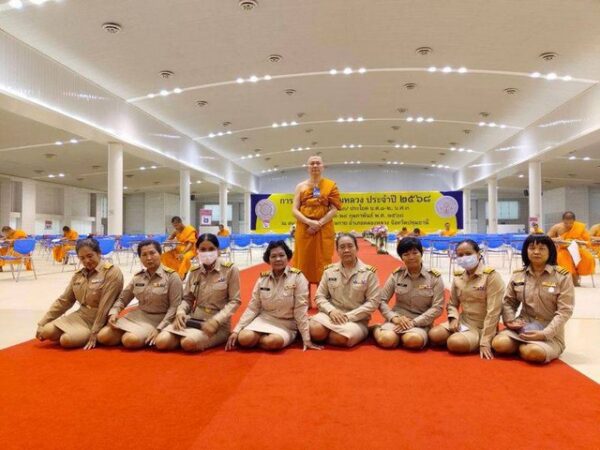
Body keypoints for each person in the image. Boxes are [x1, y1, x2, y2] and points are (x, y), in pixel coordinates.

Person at [492, 234, 574, 364]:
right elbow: (509, 302)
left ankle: (525, 347)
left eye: (542, 248)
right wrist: (510, 320)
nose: (536, 252)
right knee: (499, 344)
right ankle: (523, 345)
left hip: (549, 330)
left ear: (550, 251)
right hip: (522, 326)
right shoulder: (518, 274)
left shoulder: (562, 276)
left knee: (534, 353)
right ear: (526, 250)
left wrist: (545, 334)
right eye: (532, 248)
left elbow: (565, 311)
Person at [225, 240, 321, 352]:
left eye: (281, 255)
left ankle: (263, 339)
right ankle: (257, 338)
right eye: (273, 256)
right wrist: (237, 330)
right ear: (268, 259)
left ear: (288, 257)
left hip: (287, 323)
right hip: (265, 319)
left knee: (273, 342)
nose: (278, 259)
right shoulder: (263, 279)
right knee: (244, 338)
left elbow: (300, 310)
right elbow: (253, 307)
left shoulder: (298, 277)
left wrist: (306, 338)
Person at [155, 233, 240, 352]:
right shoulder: (195, 271)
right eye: (203, 249)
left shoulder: (229, 270)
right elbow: (187, 299)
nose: (207, 253)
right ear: (197, 251)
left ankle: (193, 339)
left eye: (211, 249)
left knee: (188, 343)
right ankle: (185, 338)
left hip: (217, 324)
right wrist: (180, 312)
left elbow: (235, 301)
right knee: (161, 341)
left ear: (218, 250)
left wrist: (216, 321)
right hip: (193, 320)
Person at [35, 238, 124, 349]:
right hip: (81, 316)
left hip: (101, 318)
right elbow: (64, 300)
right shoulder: (78, 275)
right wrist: (42, 322)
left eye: (90, 256)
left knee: (66, 340)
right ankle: (78, 334)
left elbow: (105, 305)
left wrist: (95, 330)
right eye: (82, 258)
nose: (87, 261)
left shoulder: (111, 272)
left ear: (98, 253)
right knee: (46, 331)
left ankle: (100, 334)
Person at [97, 240, 183, 349]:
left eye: (152, 253)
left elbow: (175, 307)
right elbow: (123, 299)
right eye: (144, 255)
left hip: (160, 318)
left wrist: (160, 328)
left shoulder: (172, 277)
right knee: (103, 336)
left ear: (160, 253)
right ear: (140, 258)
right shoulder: (138, 277)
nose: (149, 258)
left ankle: (137, 335)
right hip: (138, 315)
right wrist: (114, 312)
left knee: (130, 340)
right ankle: (131, 334)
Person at [428, 239, 505, 359]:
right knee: (434, 335)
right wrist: (453, 319)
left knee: (454, 343)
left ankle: (475, 339)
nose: (464, 258)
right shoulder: (458, 277)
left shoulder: (491, 276)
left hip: (482, 326)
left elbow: (494, 311)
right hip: (463, 321)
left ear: (478, 254)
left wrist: (485, 341)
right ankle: (463, 337)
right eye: (460, 255)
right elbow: (452, 304)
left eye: (468, 254)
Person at [309, 233, 380, 347]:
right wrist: (331, 311)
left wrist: (348, 316)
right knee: (315, 331)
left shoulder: (369, 273)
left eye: (350, 246)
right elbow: (319, 296)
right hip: (330, 315)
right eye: (342, 247)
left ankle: (363, 331)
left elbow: (373, 302)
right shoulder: (329, 271)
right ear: (337, 250)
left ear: (356, 248)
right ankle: (325, 333)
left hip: (356, 319)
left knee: (340, 337)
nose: (346, 250)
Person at [373, 238, 444, 350]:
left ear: (421, 253)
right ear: (401, 257)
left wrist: (414, 322)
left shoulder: (434, 277)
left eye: (415, 253)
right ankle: (376, 329)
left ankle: (399, 337)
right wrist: (394, 318)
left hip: (421, 322)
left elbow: (437, 307)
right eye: (406, 254)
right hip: (398, 319)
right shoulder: (396, 275)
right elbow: (381, 300)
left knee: (413, 341)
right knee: (386, 340)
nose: (411, 257)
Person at [292, 155, 343, 287]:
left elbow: (334, 209)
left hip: (324, 229)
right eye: (312, 163)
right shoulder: (300, 186)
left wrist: (319, 223)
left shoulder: (330, 185)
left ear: (323, 167)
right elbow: (294, 210)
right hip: (305, 230)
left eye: (318, 163)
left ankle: (323, 295)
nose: (315, 165)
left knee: (323, 261)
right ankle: (304, 295)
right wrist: (309, 222)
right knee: (304, 261)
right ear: (307, 168)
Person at [547, 211, 595, 286]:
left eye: (571, 223)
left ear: (574, 221)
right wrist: (556, 239)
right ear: (562, 220)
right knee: (563, 258)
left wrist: (580, 242)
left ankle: (577, 276)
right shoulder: (557, 227)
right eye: (566, 223)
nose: (568, 225)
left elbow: (587, 240)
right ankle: (569, 279)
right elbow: (547, 238)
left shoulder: (579, 227)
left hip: (577, 249)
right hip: (562, 249)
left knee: (588, 257)